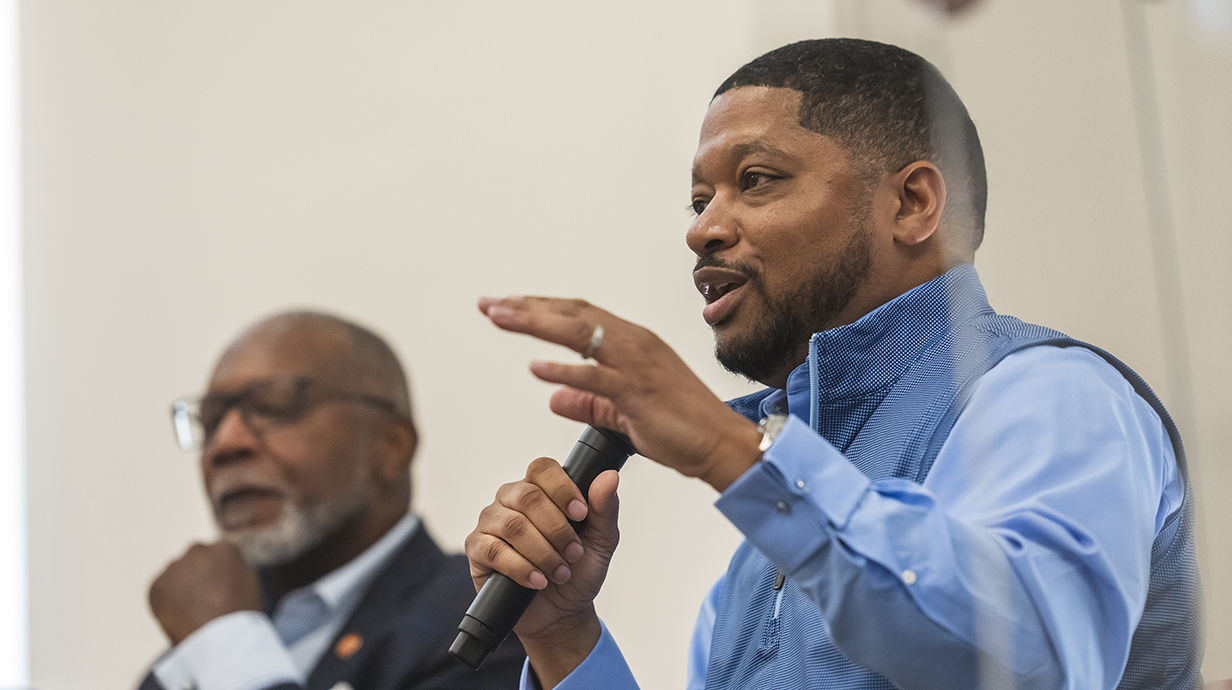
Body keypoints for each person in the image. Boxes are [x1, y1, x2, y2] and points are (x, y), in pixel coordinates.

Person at [465, 39, 1201, 689]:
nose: (704, 229)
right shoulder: (759, 555)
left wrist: (734, 455)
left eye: (756, 179)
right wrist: (564, 639)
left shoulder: (1050, 395)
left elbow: (1021, 666)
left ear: (912, 203)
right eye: (697, 199)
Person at [140, 311, 525, 690]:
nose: (224, 444)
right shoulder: (194, 653)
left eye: (274, 406)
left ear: (390, 445)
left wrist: (225, 644)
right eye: (210, 421)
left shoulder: (487, 621)